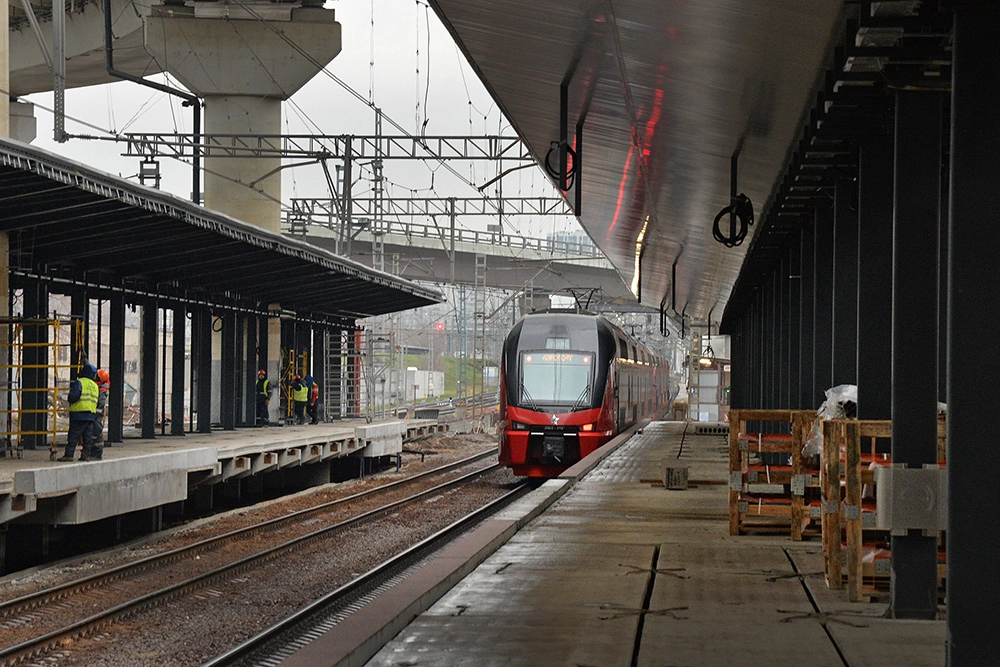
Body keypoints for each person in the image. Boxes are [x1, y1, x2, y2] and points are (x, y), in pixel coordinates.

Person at [58, 362, 98, 462]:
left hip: (78, 414)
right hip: (90, 414)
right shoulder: (95, 386)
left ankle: (69, 455)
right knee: (87, 437)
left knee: (73, 435)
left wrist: (69, 399)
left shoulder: (80, 382)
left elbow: (74, 396)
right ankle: (86, 455)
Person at [87, 368, 110, 461]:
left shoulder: (102, 389)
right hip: (97, 412)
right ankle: (93, 452)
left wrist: (96, 413)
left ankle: (96, 453)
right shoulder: (102, 386)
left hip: (97, 414)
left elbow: (100, 403)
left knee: (96, 432)